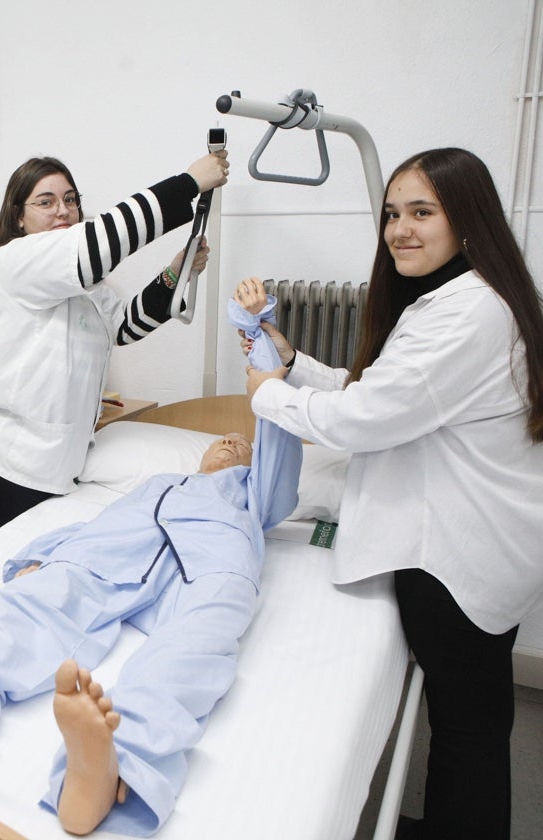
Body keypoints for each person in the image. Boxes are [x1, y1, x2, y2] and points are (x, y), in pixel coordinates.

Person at [235, 147, 543, 840]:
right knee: (477, 719)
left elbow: (368, 419)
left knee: (467, 727)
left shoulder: (465, 314)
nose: (400, 228)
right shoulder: (470, 299)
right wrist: (293, 365)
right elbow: (385, 390)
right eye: (392, 214)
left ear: (468, 221)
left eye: (422, 212)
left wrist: (270, 396)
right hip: (493, 541)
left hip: (457, 555)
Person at [0, 365, 301, 837]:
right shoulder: (157, 483)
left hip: (214, 563)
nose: (229, 441)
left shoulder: (255, 498)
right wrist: (37, 557)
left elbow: (280, 464)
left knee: (195, 649)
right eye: (220, 439)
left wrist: (270, 387)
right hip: (120, 547)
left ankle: (112, 765)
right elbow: (93, 527)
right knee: (39, 600)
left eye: (242, 444)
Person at [0, 151, 229, 552]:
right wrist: (189, 182)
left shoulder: (84, 284)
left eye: (71, 199)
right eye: (46, 201)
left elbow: (124, 327)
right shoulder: (15, 259)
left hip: (48, 466)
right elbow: (99, 242)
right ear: (18, 217)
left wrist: (174, 273)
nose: (63, 210)